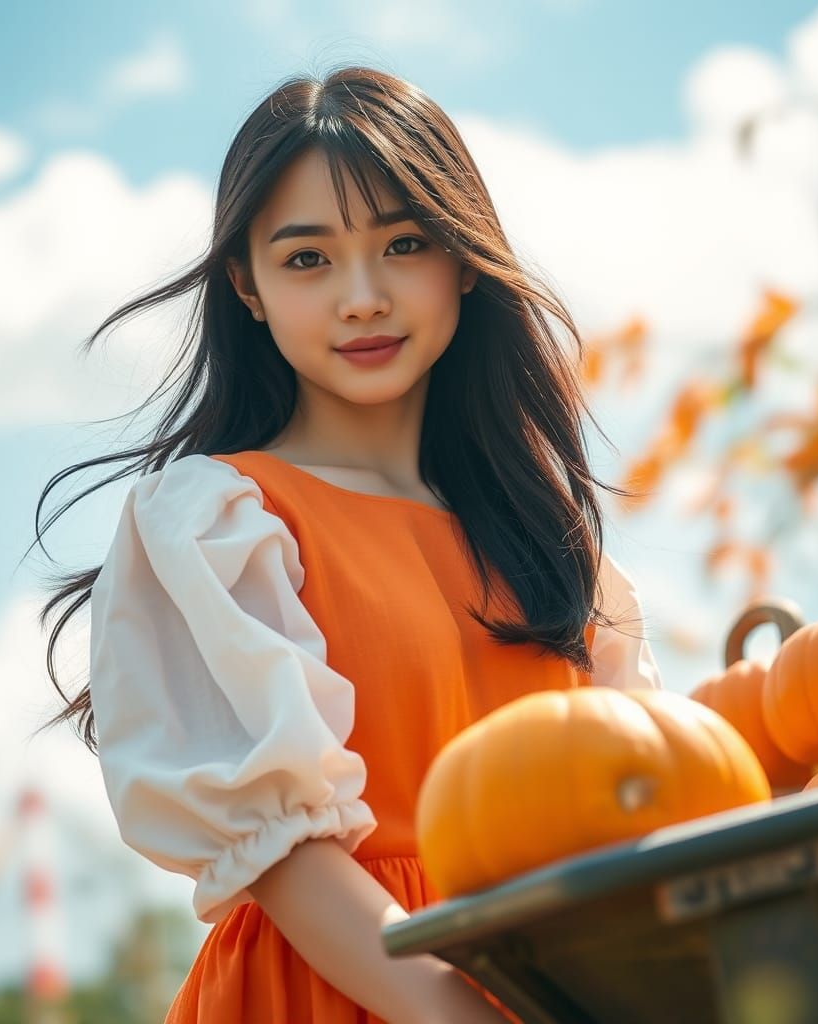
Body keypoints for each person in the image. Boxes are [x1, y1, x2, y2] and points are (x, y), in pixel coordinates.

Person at [32, 64, 662, 1023]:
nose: (362, 297)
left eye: (403, 244)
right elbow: (286, 858)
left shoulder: (556, 549)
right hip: (332, 990)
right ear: (246, 284)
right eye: (307, 259)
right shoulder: (217, 523)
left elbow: (647, 805)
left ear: (461, 257)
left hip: (552, 985)